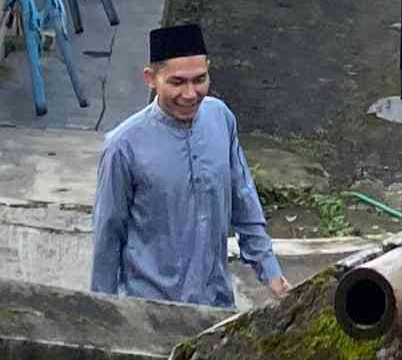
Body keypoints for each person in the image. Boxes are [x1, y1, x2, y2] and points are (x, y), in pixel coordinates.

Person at [91, 22, 288, 307]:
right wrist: (104, 313)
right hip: (150, 311)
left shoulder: (220, 118)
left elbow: (244, 201)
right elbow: (108, 236)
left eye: (200, 80)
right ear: (150, 78)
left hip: (216, 304)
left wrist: (271, 274)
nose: (191, 93)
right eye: (177, 82)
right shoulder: (123, 146)